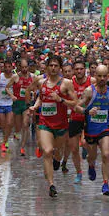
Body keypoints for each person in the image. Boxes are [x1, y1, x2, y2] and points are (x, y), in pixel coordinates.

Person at [30, 55, 78, 198]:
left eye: (56, 66)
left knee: (57, 152)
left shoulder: (66, 83)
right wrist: (35, 106)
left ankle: (58, 159)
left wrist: (61, 100)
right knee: (47, 150)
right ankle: (51, 184)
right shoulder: (41, 81)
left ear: (60, 68)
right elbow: (41, 97)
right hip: (45, 122)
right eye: (50, 65)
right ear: (46, 67)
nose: (53, 68)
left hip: (61, 124)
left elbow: (75, 103)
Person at [74, 64, 109, 197]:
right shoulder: (89, 91)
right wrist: (87, 111)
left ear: (108, 76)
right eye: (99, 76)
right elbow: (76, 107)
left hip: (105, 128)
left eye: (105, 76)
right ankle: (91, 165)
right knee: (92, 156)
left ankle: (105, 184)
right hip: (91, 130)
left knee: (106, 154)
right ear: (95, 76)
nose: (102, 78)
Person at [66, 60, 91, 184]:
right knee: (74, 149)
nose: (79, 71)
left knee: (85, 142)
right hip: (74, 117)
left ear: (85, 69)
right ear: (74, 71)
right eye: (77, 69)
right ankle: (79, 172)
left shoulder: (92, 82)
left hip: (88, 118)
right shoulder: (69, 83)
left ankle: (88, 156)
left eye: (81, 68)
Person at [11, 59, 35, 157]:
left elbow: (36, 88)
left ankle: (22, 147)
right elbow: (7, 87)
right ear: (19, 67)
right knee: (18, 126)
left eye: (26, 67)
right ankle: (17, 134)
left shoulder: (33, 77)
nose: (25, 69)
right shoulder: (15, 77)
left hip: (26, 103)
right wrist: (11, 95)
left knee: (26, 124)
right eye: (23, 67)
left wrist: (33, 93)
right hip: (17, 103)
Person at [0, 59, 15, 151]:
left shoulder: (14, 77)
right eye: (6, 67)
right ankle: (4, 140)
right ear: (3, 68)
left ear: (12, 67)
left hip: (10, 103)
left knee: (9, 123)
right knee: (3, 124)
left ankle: (5, 141)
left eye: (9, 67)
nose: (8, 68)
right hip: (0, 103)